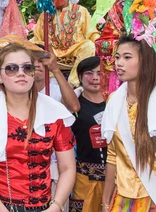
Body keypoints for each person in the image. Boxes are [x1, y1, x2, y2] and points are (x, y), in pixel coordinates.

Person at [0, 38, 77, 212]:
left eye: (27, 68)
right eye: (11, 68)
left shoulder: (55, 113)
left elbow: (67, 167)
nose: (21, 73)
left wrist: (56, 206)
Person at [101, 35, 156, 212]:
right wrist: (105, 203)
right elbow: (112, 157)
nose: (119, 63)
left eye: (127, 57)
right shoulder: (113, 101)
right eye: (117, 57)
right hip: (122, 199)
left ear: (145, 61)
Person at [31, 0, 99, 89]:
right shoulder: (45, 14)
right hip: (52, 52)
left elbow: (91, 32)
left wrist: (100, 43)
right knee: (31, 45)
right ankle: (50, 79)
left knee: (89, 46)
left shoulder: (81, 10)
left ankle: (72, 84)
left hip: (74, 51)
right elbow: (37, 37)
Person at [69, 57, 106, 212]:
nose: (95, 78)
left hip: (114, 177)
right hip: (83, 177)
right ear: (80, 77)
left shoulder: (115, 102)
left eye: (100, 73)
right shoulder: (74, 106)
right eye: (89, 73)